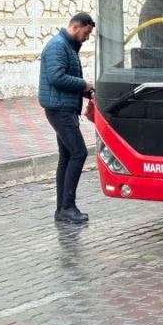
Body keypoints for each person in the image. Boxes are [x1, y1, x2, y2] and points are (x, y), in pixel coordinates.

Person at [38, 12, 95, 224]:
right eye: (86, 33)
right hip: (59, 109)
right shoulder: (57, 46)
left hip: (63, 107)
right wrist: (84, 85)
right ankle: (68, 207)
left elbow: (64, 78)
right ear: (76, 27)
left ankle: (62, 210)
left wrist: (86, 92)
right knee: (78, 153)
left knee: (67, 156)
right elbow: (56, 77)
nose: (87, 38)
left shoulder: (67, 47)